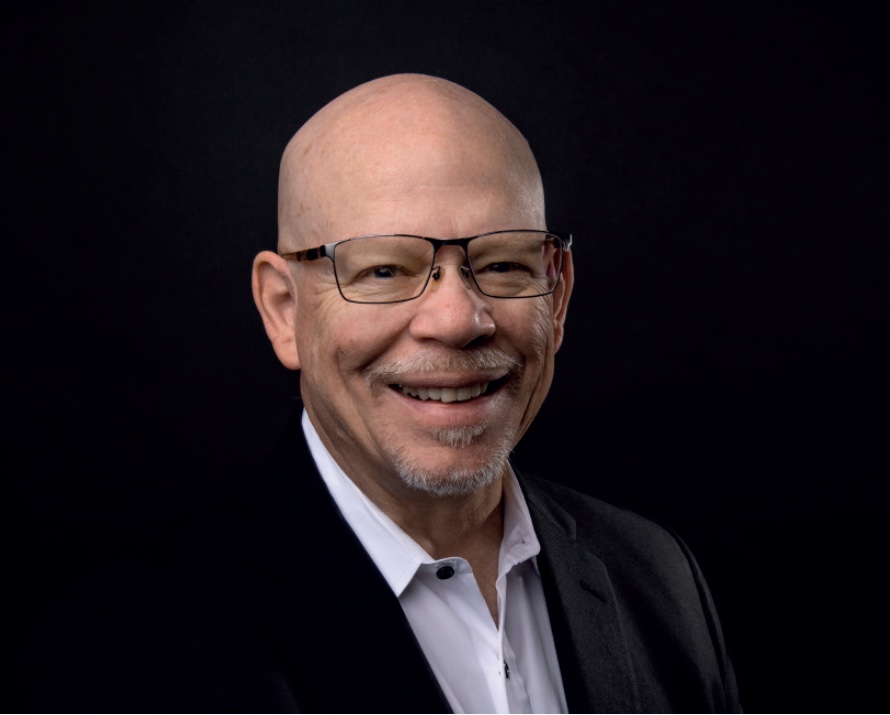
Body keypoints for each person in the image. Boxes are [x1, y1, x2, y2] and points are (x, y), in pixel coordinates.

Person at [16, 73, 741, 713]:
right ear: (283, 309)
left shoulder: (656, 576)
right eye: (384, 270)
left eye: (502, 262)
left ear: (559, 294)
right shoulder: (125, 660)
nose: (456, 319)